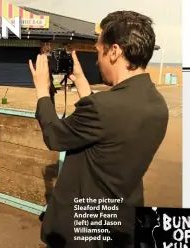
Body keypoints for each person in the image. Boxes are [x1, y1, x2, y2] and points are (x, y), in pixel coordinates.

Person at [29, 11, 169, 248]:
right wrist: (83, 83)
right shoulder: (158, 104)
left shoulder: (103, 107)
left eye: (98, 51)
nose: (96, 61)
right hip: (124, 221)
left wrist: (43, 92)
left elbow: (54, 136)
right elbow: (109, 130)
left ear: (114, 51)